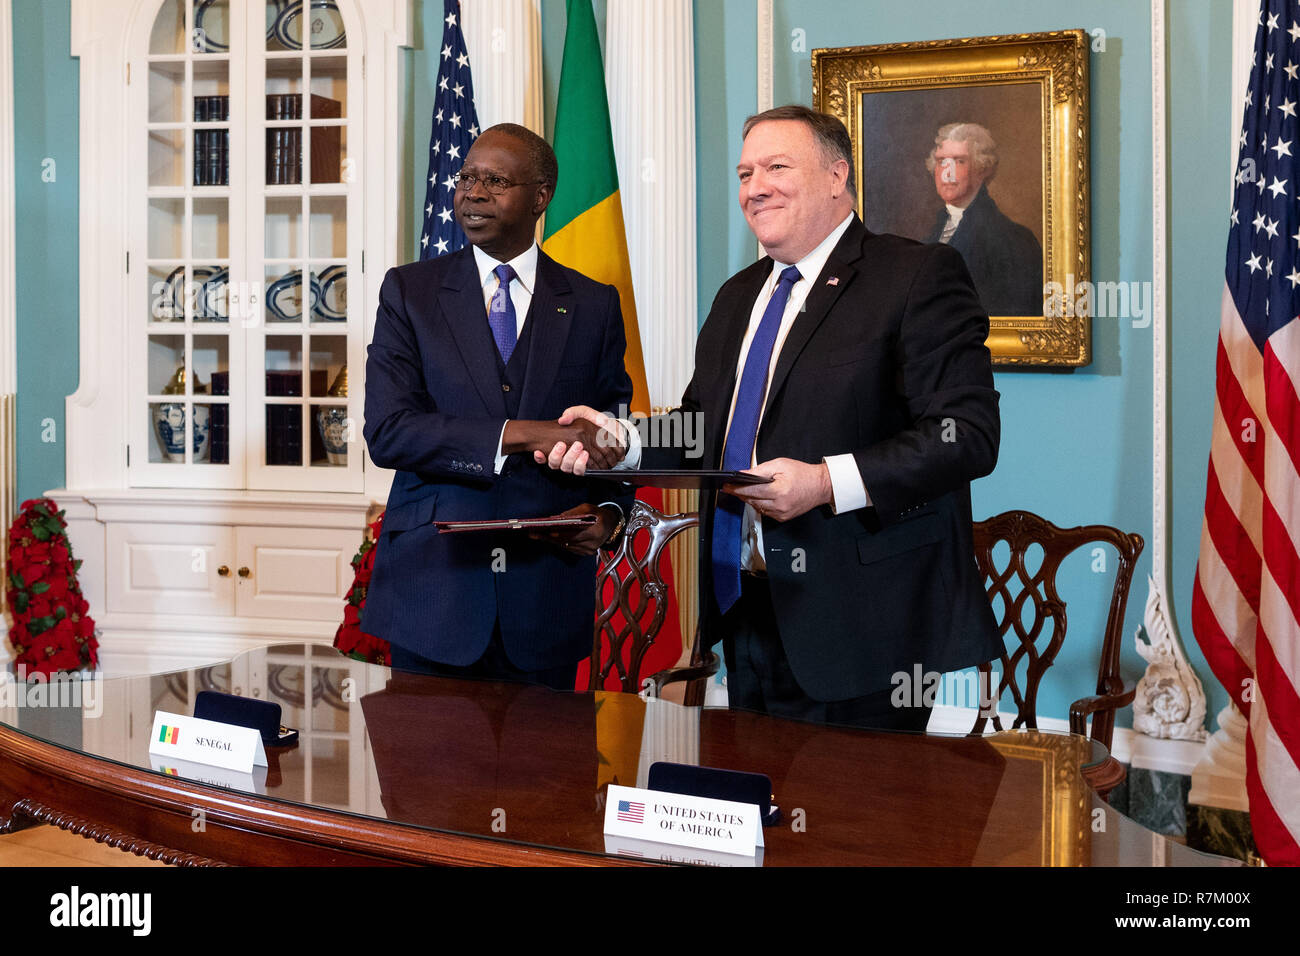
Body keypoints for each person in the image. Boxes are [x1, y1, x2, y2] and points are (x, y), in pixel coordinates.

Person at [545, 106, 1001, 730]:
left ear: (837, 176)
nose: (754, 187)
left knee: (853, 821)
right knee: (762, 817)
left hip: (864, 624)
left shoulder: (916, 276)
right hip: (745, 607)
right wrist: (618, 440)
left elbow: (966, 436)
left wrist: (823, 482)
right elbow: (700, 430)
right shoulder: (738, 295)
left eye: (776, 167)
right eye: (744, 173)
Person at [362, 123, 631, 689]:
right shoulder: (409, 292)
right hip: (434, 595)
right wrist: (523, 435)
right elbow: (390, 432)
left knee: (547, 777)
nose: (472, 193)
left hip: (547, 599)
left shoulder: (592, 304)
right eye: (466, 177)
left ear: (540, 196)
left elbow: (614, 437)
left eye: (496, 181)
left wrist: (608, 517)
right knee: (428, 778)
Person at [923, 122, 1043, 316]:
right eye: (941, 161)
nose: (947, 172)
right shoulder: (933, 234)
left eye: (959, 161)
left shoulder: (1015, 240)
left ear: (982, 168)